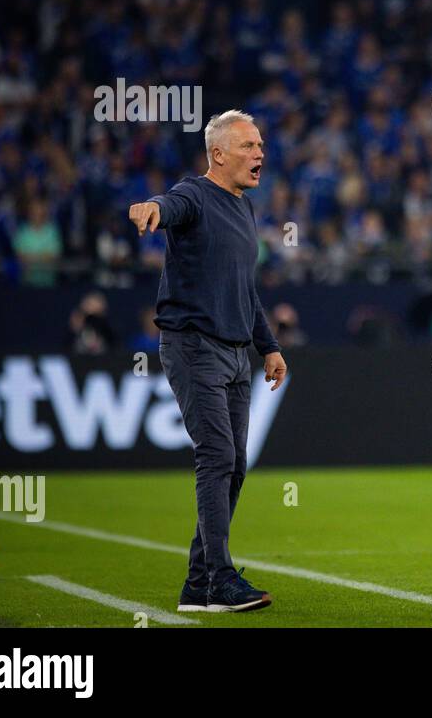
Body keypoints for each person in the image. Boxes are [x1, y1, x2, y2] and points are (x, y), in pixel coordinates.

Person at [128, 110, 287, 614]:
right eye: (248, 146)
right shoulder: (195, 194)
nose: (259, 154)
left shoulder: (244, 209)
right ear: (218, 154)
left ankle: (199, 582)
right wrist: (150, 207)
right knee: (217, 455)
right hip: (195, 345)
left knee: (235, 462)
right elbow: (168, 205)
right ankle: (218, 578)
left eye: (260, 145)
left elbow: (245, 288)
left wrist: (269, 345)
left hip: (240, 353)